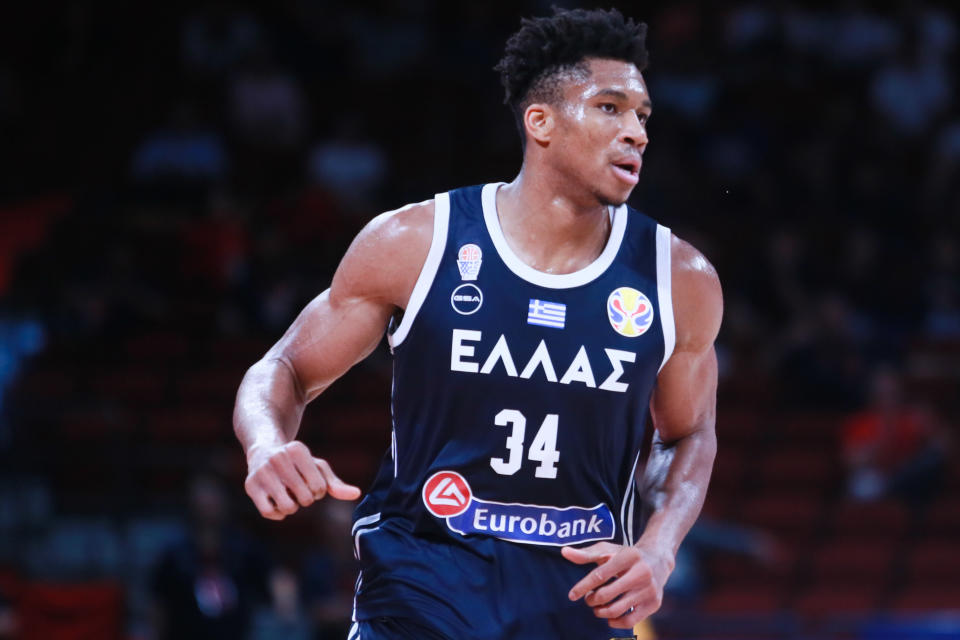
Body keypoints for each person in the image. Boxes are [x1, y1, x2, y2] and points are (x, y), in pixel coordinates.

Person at [233, 8, 722, 640]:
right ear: (539, 122)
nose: (636, 132)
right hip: (421, 585)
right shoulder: (416, 242)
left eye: (642, 116)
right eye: (610, 108)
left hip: (575, 598)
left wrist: (659, 548)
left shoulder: (678, 277)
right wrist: (266, 444)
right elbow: (284, 368)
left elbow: (690, 435)